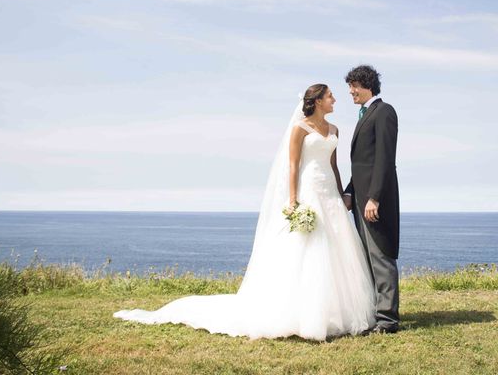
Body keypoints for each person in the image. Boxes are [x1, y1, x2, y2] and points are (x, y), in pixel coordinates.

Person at [113, 84, 376, 341]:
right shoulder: (300, 128)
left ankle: (336, 311)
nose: (335, 100)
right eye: (330, 96)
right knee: (308, 248)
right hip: (308, 190)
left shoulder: (334, 129)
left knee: (336, 248)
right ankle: (301, 313)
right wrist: (294, 200)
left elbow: (333, 165)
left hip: (329, 191)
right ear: (318, 101)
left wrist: (342, 193)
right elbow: (293, 166)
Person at [342, 65, 400, 334]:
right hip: (362, 199)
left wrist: (374, 197)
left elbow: (384, 160)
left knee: (381, 255)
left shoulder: (384, 111)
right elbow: (362, 164)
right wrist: (350, 191)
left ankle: (388, 319)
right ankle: (376, 314)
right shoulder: (364, 115)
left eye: (354, 86)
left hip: (376, 200)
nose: (351, 92)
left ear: (367, 85)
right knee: (368, 257)